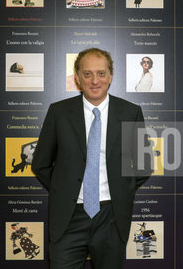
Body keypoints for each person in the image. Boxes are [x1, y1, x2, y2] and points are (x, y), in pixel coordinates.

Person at [32, 48, 152, 268]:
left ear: (111, 76)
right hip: (68, 219)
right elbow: (40, 164)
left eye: (101, 73)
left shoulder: (130, 112)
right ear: (77, 78)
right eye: (87, 74)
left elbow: (144, 165)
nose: (95, 80)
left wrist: (121, 189)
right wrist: (64, 188)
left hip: (111, 217)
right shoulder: (59, 112)